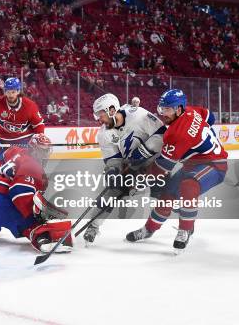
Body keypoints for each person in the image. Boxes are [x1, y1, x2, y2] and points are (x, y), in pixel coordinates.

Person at [126, 89, 228, 250]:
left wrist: (140, 181)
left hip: (214, 164)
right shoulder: (191, 110)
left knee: (189, 185)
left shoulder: (177, 133)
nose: (162, 114)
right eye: (161, 109)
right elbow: (210, 117)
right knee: (168, 194)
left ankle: (185, 229)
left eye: (167, 109)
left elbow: (163, 168)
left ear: (178, 109)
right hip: (194, 164)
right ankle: (149, 229)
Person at [81, 94, 165, 244]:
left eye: (100, 114)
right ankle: (93, 226)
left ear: (111, 110)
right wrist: (112, 172)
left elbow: (162, 135)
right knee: (112, 190)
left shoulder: (139, 115)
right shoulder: (103, 134)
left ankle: (169, 226)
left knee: (168, 195)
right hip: (133, 167)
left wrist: (142, 152)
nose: (98, 119)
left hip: (156, 162)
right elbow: (113, 159)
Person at [0, 77, 45, 151]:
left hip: (25, 140)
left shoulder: (30, 105)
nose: (11, 95)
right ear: (5, 92)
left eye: (13, 92)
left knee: (24, 162)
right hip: (4, 141)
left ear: (18, 91)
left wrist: (38, 139)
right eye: (8, 92)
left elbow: (38, 124)